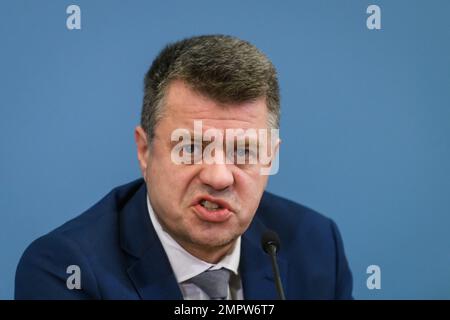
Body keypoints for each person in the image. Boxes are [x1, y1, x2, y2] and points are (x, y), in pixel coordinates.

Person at [15, 35, 353, 300]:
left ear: (271, 156)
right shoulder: (66, 269)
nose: (218, 177)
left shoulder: (317, 246)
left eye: (244, 151)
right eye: (191, 148)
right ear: (145, 150)